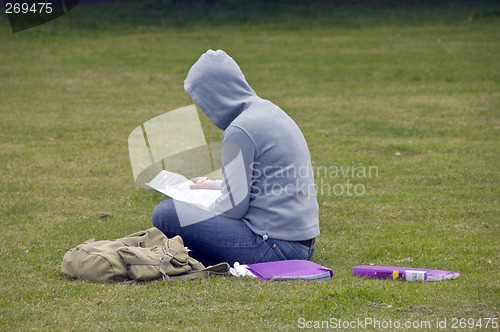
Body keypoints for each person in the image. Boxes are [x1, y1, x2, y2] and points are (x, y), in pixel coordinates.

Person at [152, 49, 319, 266]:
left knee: (166, 213)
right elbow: (261, 182)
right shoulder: (269, 111)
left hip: (273, 246)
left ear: (215, 95)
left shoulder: (240, 129)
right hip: (302, 242)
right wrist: (212, 186)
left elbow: (232, 209)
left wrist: (201, 208)